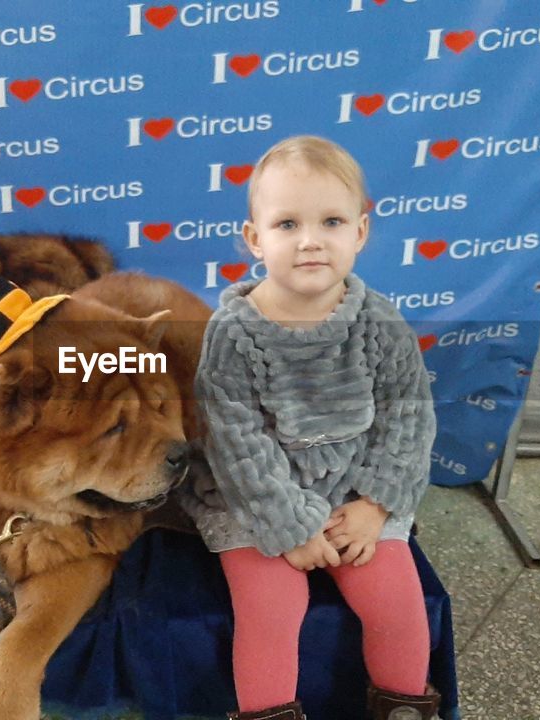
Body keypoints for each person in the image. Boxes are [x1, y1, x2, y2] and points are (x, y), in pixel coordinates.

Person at [181, 135, 443, 720]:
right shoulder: (234, 333)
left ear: (360, 231)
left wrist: (376, 504)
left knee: (395, 604)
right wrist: (291, 524)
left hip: (354, 487)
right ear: (255, 239)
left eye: (330, 221)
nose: (310, 241)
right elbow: (235, 441)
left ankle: (402, 711)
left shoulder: (380, 322)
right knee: (272, 607)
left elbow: (409, 415)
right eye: (287, 224)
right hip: (257, 496)